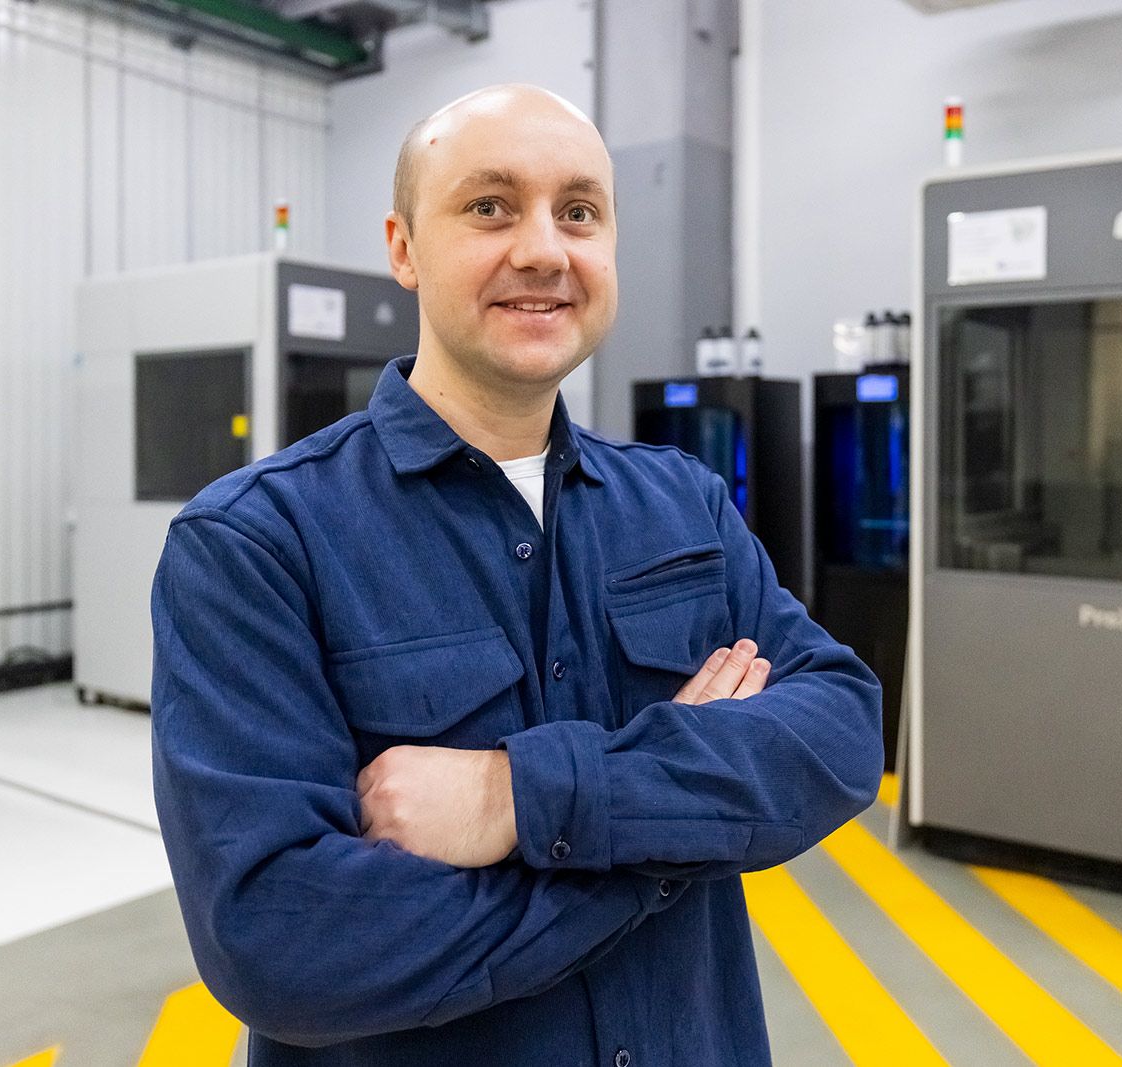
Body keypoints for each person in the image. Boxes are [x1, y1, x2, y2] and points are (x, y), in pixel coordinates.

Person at [150, 83, 883, 1065]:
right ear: (404, 248)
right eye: (490, 206)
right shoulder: (256, 543)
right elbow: (282, 940)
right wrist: (672, 845)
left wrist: (516, 798)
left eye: (579, 212)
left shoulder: (683, 502)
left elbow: (839, 732)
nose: (544, 250)